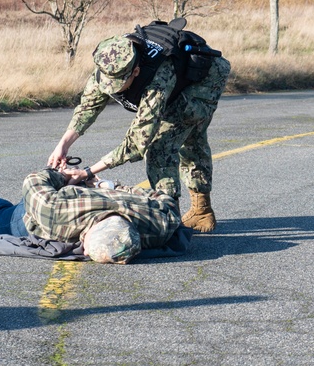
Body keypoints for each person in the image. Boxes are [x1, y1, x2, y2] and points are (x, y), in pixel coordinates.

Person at [48, 24, 231, 233]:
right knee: (186, 138)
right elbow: (88, 106)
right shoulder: (109, 62)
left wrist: (87, 172)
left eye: (116, 85)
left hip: (205, 81)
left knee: (162, 146)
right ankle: (200, 212)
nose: (109, 89)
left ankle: (170, 219)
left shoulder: (157, 78)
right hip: (181, 78)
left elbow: (137, 142)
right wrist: (63, 145)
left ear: (136, 71)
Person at [0, 167, 181, 264]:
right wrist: (67, 175)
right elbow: (32, 182)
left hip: (78, 193)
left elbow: (165, 199)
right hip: (32, 213)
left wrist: (108, 185)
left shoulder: (158, 222)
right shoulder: (57, 211)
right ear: (85, 237)